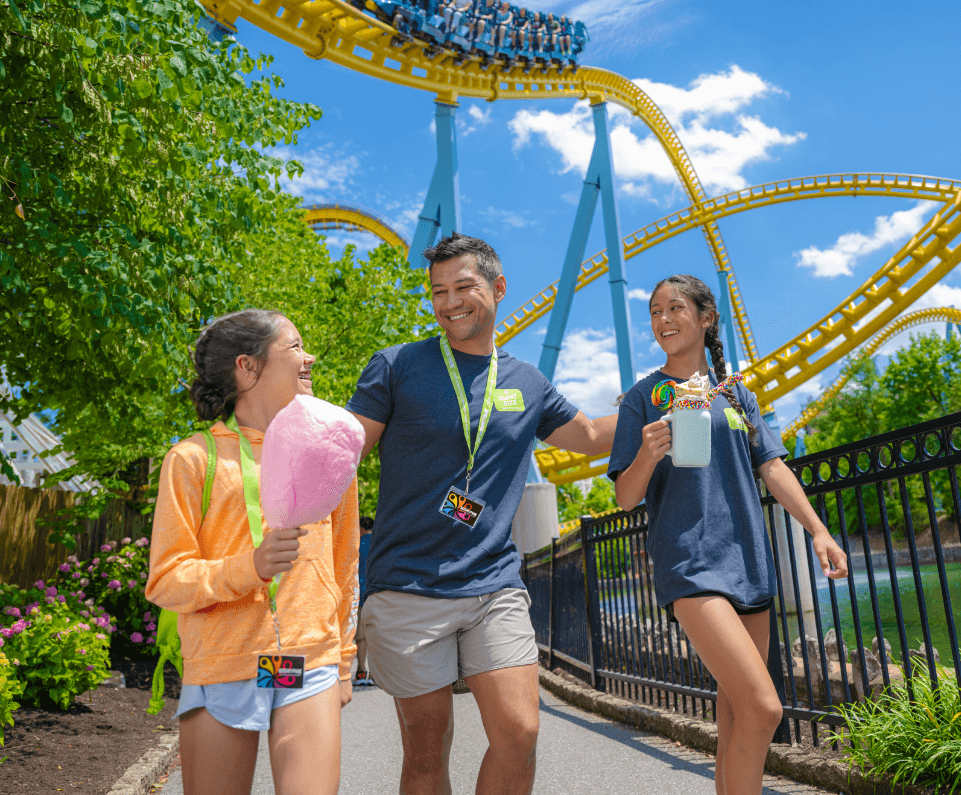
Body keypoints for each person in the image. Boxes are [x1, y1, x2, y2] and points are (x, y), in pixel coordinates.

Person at [346, 233, 617, 795]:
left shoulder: (526, 382)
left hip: (493, 583)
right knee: (426, 751)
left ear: (497, 288)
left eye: (463, 287)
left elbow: (590, 437)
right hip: (408, 587)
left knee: (519, 731)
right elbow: (345, 455)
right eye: (438, 291)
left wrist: (665, 397)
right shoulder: (395, 367)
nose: (449, 302)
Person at [607, 275, 848, 795]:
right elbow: (626, 498)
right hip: (691, 563)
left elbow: (774, 467)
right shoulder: (643, 397)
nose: (663, 320)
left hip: (749, 561)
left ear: (706, 318)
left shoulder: (736, 394)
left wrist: (818, 530)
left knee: (738, 714)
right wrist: (648, 452)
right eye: (654, 312)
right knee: (765, 709)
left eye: (675, 308)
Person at [146, 309, 359, 795]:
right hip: (223, 663)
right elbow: (165, 580)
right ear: (248, 366)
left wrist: (345, 660)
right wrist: (252, 567)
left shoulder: (328, 455)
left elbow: (346, 567)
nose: (309, 358)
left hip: (309, 660)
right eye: (295, 347)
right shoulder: (192, 459)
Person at [353, 515, 375, 687]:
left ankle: (362, 671)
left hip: (360, 594)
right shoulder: (378, 543)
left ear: (360, 529)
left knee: (361, 636)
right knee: (377, 634)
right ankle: (377, 674)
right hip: (377, 594)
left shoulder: (357, 545)